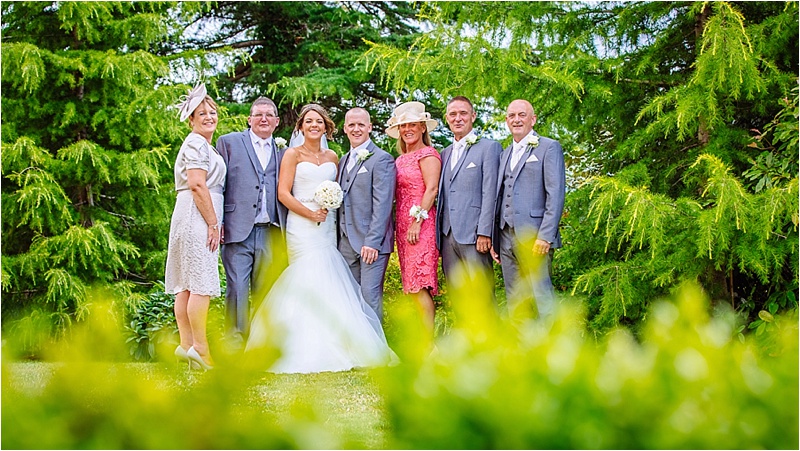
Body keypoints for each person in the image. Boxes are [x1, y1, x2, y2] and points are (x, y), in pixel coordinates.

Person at [245, 104, 394, 373]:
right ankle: (296, 346)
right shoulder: (292, 154)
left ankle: (341, 342)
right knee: (305, 277)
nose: (314, 125)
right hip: (302, 226)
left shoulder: (334, 157)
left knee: (331, 279)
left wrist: (327, 209)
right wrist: (310, 213)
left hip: (327, 227)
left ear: (326, 127)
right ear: (301, 127)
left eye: (319, 121)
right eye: (309, 121)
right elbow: (283, 193)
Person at [216, 97, 287, 351]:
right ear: (249, 119)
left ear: (276, 122)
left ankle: (258, 344)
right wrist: (218, 222)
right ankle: (235, 341)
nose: (263, 119)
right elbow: (218, 186)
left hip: (270, 230)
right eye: (258, 115)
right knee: (236, 287)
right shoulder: (229, 143)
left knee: (265, 289)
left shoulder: (284, 151)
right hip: (237, 229)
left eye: (269, 115)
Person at [165, 83, 225, 370]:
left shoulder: (201, 144)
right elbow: (197, 184)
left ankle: (187, 345)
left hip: (190, 213)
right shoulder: (197, 143)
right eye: (202, 113)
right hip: (197, 215)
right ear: (191, 119)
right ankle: (201, 348)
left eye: (212, 112)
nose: (209, 117)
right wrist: (213, 223)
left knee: (187, 284)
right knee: (200, 283)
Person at [491, 99, 566, 320]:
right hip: (505, 236)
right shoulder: (504, 154)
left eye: (522, 115)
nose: (516, 120)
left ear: (533, 120)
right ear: (506, 121)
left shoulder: (548, 147)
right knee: (515, 298)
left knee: (542, 296)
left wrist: (545, 236)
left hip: (535, 236)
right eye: (511, 116)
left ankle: (551, 341)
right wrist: (495, 238)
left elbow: (555, 194)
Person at [437, 96, 501, 300]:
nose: (458, 118)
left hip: (475, 236)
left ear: (473, 116)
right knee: (458, 298)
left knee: (482, 296)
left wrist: (485, 232)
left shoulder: (489, 148)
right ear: (447, 118)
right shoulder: (444, 154)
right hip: (447, 236)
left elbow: (490, 192)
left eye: (463, 113)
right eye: (453, 114)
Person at [388, 101, 442, 334]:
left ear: (422, 127)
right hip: (403, 227)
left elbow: (432, 189)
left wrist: (417, 222)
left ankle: (428, 344)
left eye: (412, 124)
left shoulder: (428, 154)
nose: (407, 129)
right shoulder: (400, 159)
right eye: (403, 126)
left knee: (420, 285)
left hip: (420, 227)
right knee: (411, 286)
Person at [337, 107, 396, 320]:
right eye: (351, 125)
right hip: (345, 242)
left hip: (371, 244)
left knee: (369, 299)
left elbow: (383, 204)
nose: (356, 129)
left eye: (361, 124)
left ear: (369, 127)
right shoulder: (343, 160)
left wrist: (372, 242)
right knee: (349, 299)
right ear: (345, 128)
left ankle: (375, 341)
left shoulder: (382, 159)